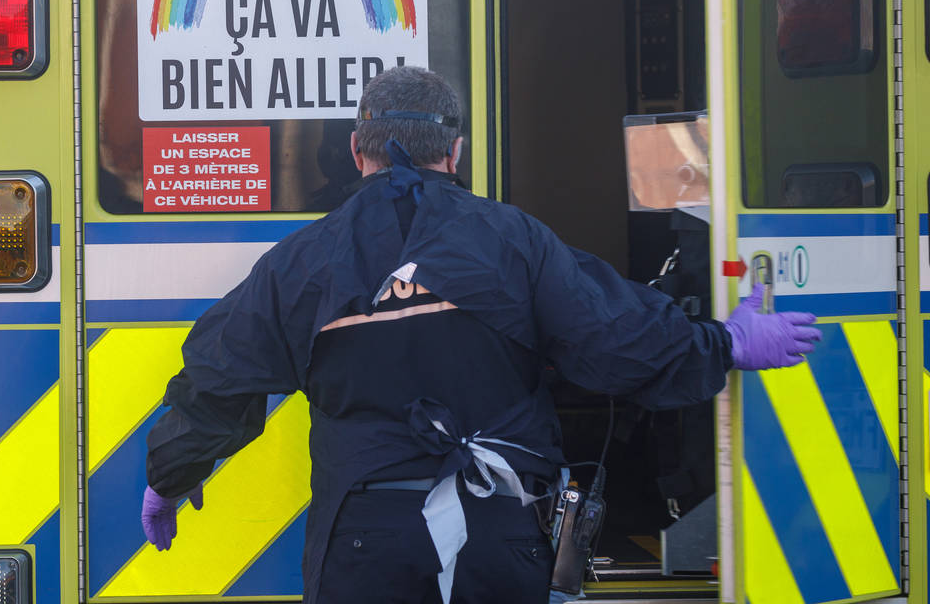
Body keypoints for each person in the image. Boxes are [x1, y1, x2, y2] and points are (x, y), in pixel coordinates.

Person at [140, 67, 820, 604]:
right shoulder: (513, 240)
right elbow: (612, 339)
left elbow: (222, 378)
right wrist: (726, 345)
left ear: (356, 151)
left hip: (361, 541)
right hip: (497, 530)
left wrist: (170, 477)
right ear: (456, 152)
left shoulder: (300, 262)